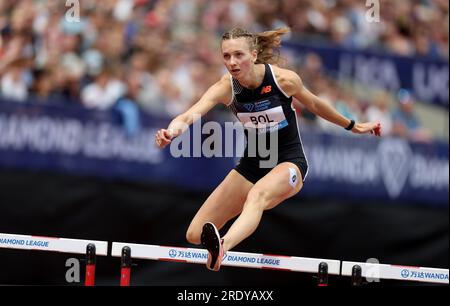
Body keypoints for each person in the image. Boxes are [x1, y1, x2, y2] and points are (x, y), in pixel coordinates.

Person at [155, 27, 381, 271]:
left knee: (257, 196)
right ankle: (217, 245)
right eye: (226, 56)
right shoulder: (227, 87)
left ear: (253, 55)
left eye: (238, 55)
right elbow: (191, 113)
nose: (232, 62)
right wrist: (172, 130)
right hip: (253, 165)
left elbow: (315, 104)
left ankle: (222, 246)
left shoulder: (283, 80)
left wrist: (353, 126)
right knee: (194, 233)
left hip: (288, 162)